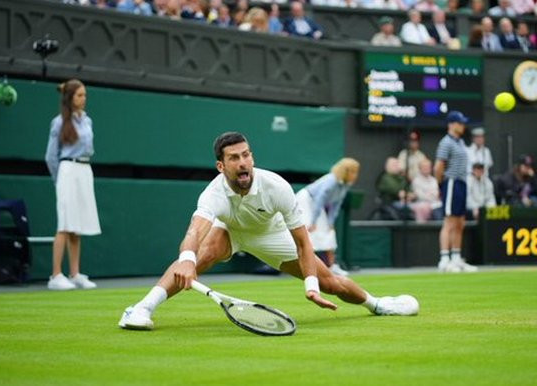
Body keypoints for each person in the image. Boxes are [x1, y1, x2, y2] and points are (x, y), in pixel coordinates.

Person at [118, 132, 418, 330]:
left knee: (331, 283)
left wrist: (310, 285)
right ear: (221, 166)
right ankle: (141, 309)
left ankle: (377, 304)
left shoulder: (277, 187)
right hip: (231, 229)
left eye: (246, 155)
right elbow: (195, 231)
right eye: (234, 158)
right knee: (201, 255)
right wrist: (186, 257)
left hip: (270, 235)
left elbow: (303, 244)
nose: (243, 162)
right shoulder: (214, 194)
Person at [44, 79, 100, 290]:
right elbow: (50, 156)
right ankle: (56, 275)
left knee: (78, 227)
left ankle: (75, 273)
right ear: (70, 98)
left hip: (85, 171)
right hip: (67, 171)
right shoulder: (58, 122)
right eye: (79, 95)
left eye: (85, 95)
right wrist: (60, 181)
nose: (83, 99)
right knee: (65, 225)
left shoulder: (87, 121)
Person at [295, 158, 360, 277]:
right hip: (306, 200)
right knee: (308, 231)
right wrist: (313, 221)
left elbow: (336, 205)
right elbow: (319, 200)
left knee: (328, 230)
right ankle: (307, 266)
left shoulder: (345, 185)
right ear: (346, 171)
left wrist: (331, 222)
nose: (356, 175)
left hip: (316, 205)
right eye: (354, 172)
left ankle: (331, 266)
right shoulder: (331, 181)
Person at [435, 111, 476, 273]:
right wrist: (441, 185)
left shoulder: (460, 142)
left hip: (461, 183)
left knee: (460, 223)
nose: (463, 126)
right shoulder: (446, 142)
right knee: (450, 222)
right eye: (460, 123)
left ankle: (456, 258)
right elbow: (438, 167)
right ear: (451, 124)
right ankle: (444, 259)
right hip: (451, 182)